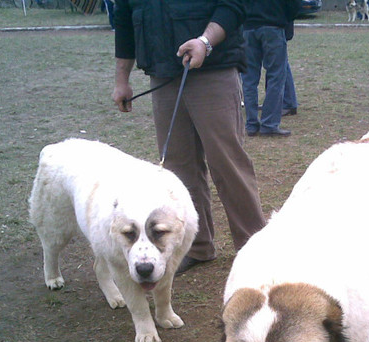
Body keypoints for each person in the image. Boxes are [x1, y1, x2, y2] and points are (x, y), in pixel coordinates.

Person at [112, 0, 267, 274]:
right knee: (178, 168)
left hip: (214, 69)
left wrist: (205, 42)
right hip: (162, 75)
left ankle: (256, 248)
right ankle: (197, 247)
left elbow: (233, 5)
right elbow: (124, 23)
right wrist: (121, 79)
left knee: (228, 164)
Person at [241, 0, 301, 137]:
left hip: (248, 28)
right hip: (273, 26)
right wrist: (285, 19)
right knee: (276, 76)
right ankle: (269, 124)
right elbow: (295, 5)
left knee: (249, 79)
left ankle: (251, 124)